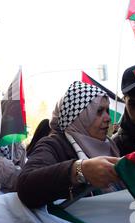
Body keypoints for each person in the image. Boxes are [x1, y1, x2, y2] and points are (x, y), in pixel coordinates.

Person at [17, 81, 122, 209]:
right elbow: (26, 187)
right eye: (99, 111)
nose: (108, 118)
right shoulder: (54, 145)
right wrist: (79, 170)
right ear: (79, 116)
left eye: (107, 110)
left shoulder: (111, 145)